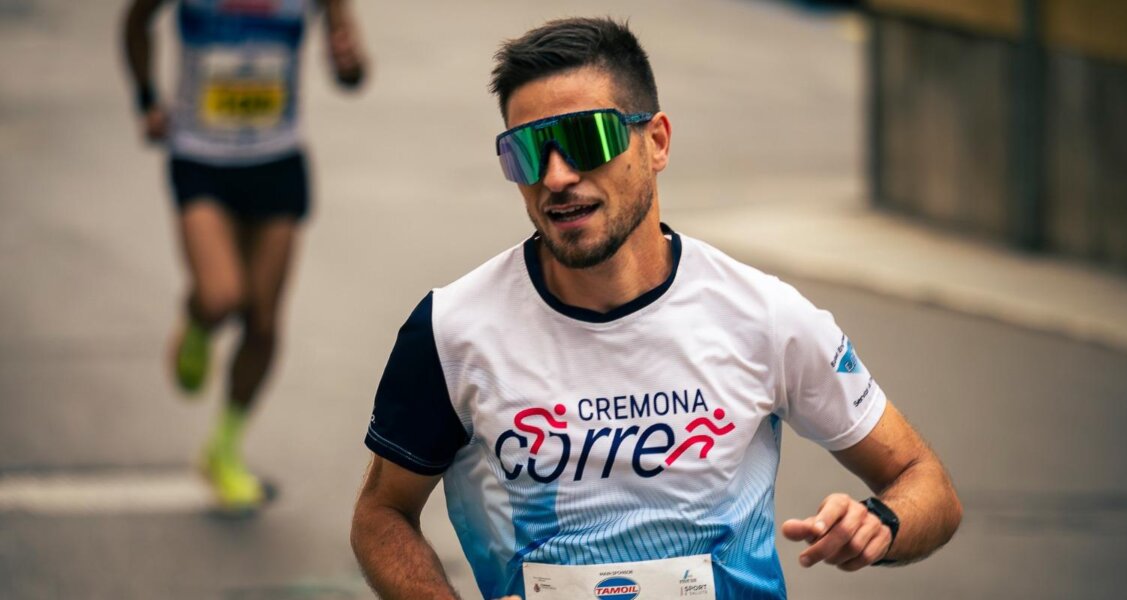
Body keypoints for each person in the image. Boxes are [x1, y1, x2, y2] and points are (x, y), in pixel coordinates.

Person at [351, 17, 960, 600]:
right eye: (527, 152)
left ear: (657, 142)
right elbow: (382, 514)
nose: (556, 176)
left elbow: (924, 481)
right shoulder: (451, 330)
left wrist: (883, 523)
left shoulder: (764, 316)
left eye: (586, 139)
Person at [121, 0, 366, 511]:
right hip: (201, 159)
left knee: (263, 321)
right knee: (221, 295)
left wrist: (348, 61)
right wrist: (147, 99)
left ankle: (224, 448)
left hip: (277, 161)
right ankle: (198, 319)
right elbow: (135, 22)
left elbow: (352, 71)